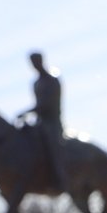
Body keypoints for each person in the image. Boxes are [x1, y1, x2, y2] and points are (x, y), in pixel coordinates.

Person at [18, 51, 67, 190]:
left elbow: (48, 104)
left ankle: (59, 178)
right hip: (40, 122)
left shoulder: (52, 79)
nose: (34, 65)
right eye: (32, 62)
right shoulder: (36, 83)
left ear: (41, 60)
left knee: (52, 144)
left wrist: (28, 111)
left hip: (52, 122)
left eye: (36, 61)